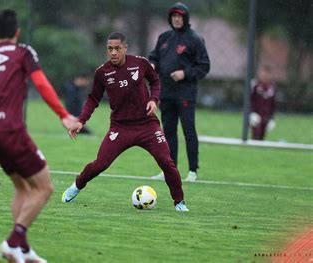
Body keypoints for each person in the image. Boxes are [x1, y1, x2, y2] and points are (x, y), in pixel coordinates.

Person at [0, 9, 77, 263]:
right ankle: (12, 242)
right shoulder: (23, 52)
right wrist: (63, 114)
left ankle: (22, 249)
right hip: (11, 131)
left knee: (22, 186)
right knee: (44, 188)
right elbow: (41, 83)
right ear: (17, 32)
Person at [62, 32, 189, 212]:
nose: (113, 52)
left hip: (148, 126)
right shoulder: (103, 72)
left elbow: (155, 81)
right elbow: (93, 99)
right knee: (100, 164)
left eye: (117, 48)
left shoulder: (140, 63)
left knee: (166, 162)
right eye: (110, 49)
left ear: (125, 48)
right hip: (121, 128)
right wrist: (81, 120)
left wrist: (154, 99)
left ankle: (180, 202)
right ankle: (76, 186)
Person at [148, 2, 210, 182]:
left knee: (188, 131)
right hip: (166, 93)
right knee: (168, 132)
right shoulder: (164, 37)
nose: (176, 19)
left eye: (180, 16)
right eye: (174, 16)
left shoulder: (195, 40)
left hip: (185, 94)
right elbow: (154, 57)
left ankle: (192, 171)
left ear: (185, 18)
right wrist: (151, 65)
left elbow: (204, 66)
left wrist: (185, 73)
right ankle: (169, 169)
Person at [250, 65, 276, 140]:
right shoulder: (254, 85)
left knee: (262, 136)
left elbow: (273, 104)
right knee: (256, 134)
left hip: (266, 116)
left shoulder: (271, 87)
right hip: (256, 114)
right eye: (263, 73)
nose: (264, 76)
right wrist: (251, 113)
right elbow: (250, 100)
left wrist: (272, 118)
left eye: (267, 74)